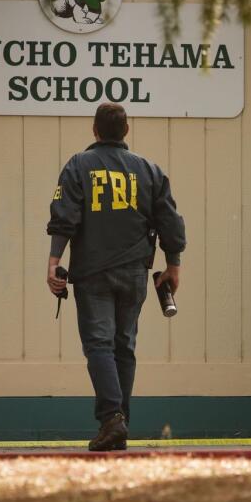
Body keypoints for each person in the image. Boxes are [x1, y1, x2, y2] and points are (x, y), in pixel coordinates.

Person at [46, 102, 186, 450]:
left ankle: (112, 419)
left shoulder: (79, 165)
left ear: (94, 130)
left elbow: (65, 214)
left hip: (93, 273)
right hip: (135, 274)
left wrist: (53, 261)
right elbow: (170, 220)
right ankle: (119, 420)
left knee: (98, 344)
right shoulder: (149, 171)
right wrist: (174, 264)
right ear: (126, 132)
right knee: (124, 346)